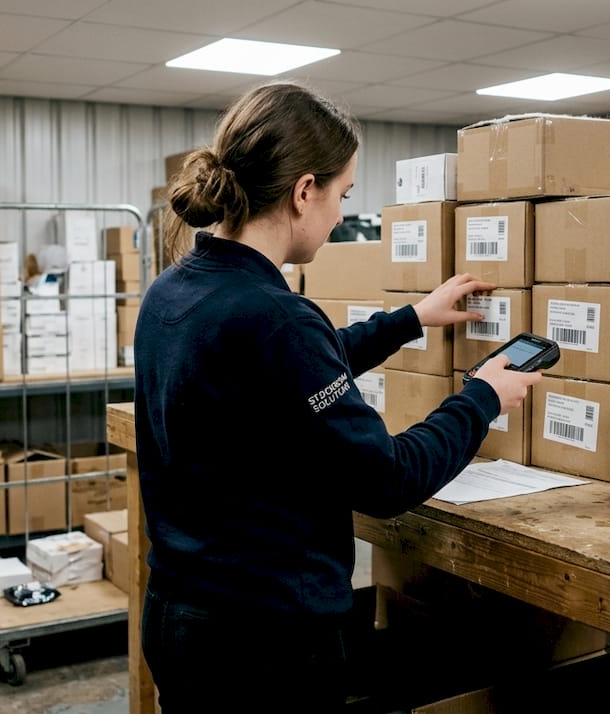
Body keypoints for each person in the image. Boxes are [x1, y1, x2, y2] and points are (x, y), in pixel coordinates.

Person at [133, 81, 542, 712]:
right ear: (304, 192)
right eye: (342, 195)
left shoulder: (175, 290)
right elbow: (388, 478)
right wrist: (482, 397)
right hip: (264, 645)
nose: (339, 215)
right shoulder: (275, 318)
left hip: (181, 621)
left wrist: (411, 319)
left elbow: (284, 378)